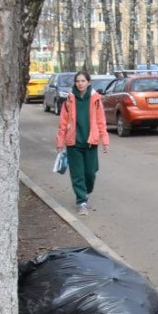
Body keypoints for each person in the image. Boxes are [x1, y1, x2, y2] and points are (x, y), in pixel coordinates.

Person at [55, 70, 110, 216]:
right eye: (78, 81)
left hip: (91, 142)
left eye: (83, 81)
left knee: (90, 173)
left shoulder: (95, 100)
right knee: (77, 174)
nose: (80, 84)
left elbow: (101, 121)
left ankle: (86, 192)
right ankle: (81, 201)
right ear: (75, 83)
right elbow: (63, 122)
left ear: (89, 82)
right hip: (73, 143)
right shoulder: (69, 100)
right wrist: (60, 141)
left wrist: (105, 140)